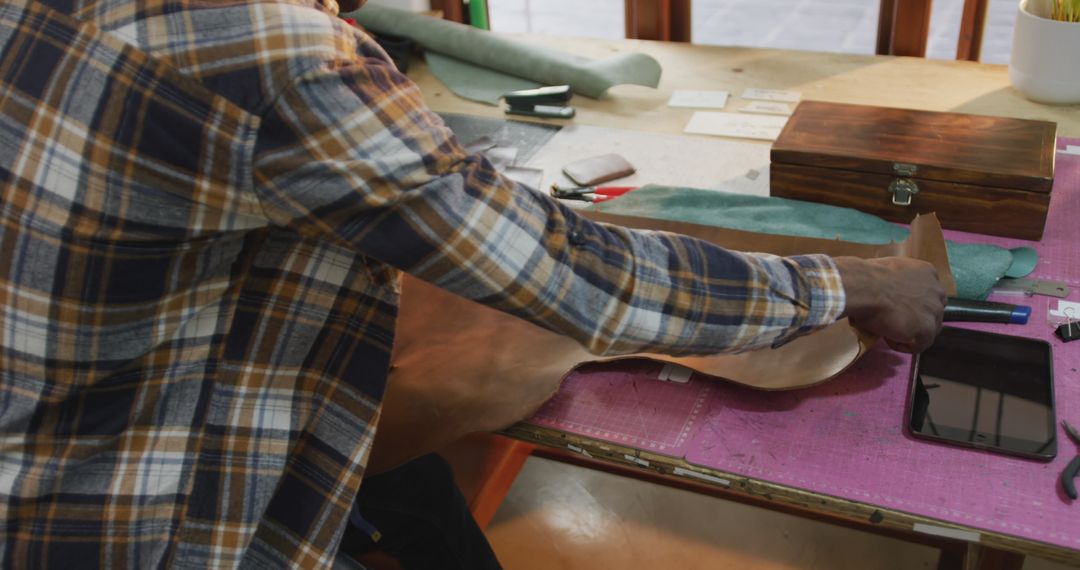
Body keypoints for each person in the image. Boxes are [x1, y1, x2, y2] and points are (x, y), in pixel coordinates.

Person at [0, 0, 946, 567]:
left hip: (36, 476)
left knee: (411, 482)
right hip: (145, 531)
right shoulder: (273, 57)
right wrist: (843, 283)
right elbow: (586, 280)